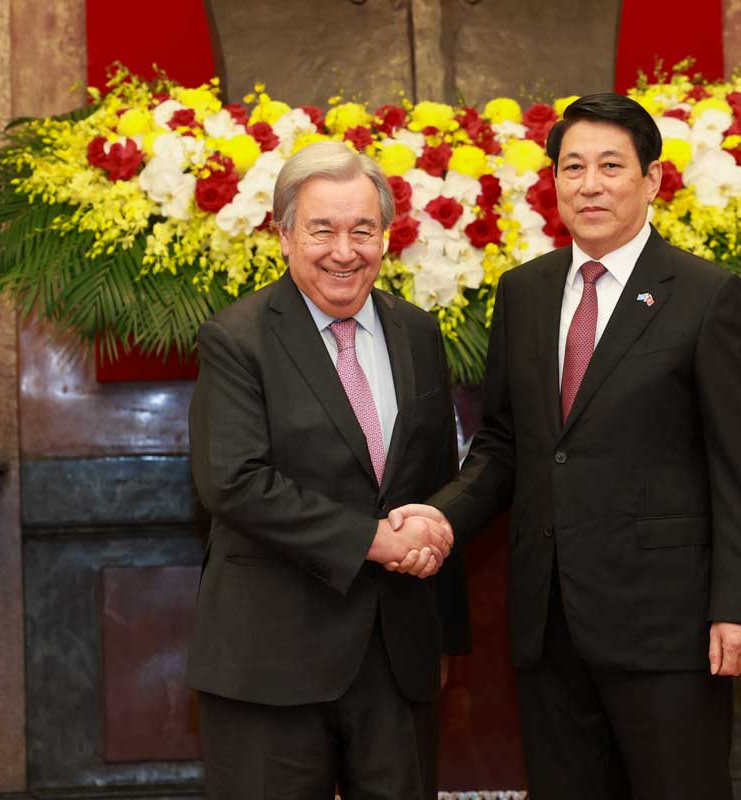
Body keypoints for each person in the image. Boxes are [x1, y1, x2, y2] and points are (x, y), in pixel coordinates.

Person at [393, 93, 741, 799]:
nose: (589, 184)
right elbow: (506, 444)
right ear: (554, 183)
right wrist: (442, 516)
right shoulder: (525, 293)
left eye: (610, 165)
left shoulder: (704, 295)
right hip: (549, 621)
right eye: (573, 167)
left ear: (652, 180)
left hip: (670, 625)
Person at [186, 140, 467, 800]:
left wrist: (443, 639)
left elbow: (432, 480)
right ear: (284, 234)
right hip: (271, 660)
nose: (345, 251)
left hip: (397, 662)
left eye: (362, 230)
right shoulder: (237, 337)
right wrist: (374, 541)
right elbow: (233, 481)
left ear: (386, 237)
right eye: (322, 230)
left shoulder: (418, 332)